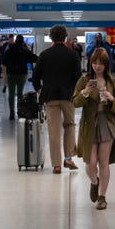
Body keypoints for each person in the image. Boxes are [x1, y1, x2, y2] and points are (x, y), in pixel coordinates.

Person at [73, 49, 115, 210]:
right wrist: (86, 92)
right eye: (94, 62)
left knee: (103, 162)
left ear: (106, 64)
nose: (97, 66)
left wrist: (111, 98)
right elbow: (75, 102)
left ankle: (102, 196)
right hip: (89, 124)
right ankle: (94, 183)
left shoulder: (113, 82)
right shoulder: (84, 80)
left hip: (107, 124)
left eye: (101, 63)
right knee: (90, 162)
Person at [32, 25, 83, 174]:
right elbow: (78, 77)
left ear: (51, 38)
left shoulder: (45, 54)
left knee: (53, 130)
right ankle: (68, 157)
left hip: (50, 96)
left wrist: (39, 89)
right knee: (70, 125)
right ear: (65, 37)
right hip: (68, 96)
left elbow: (35, 76)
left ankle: (56, 165)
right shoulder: (73, 55)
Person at [3, 34, 38, 120]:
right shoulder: (24, 50)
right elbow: (34, 58)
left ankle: (11, 112)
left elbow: (4, 61)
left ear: (15, 40)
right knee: (20, 93)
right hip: (22, 74)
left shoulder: (10, 49)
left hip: (11, 73)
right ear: (22, 41)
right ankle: (20, 110)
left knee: (11, 93)